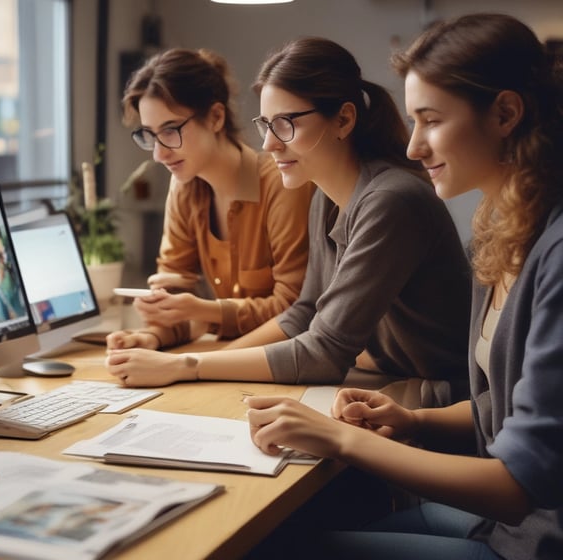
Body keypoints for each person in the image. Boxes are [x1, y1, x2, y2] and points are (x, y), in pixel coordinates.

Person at [245, 13, 563, 559]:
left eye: (432, 120)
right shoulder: (500, 230)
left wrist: (341, 438)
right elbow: (505, 408)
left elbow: (518, 487)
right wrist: (412, 420)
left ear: (506, 113)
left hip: (533, 539)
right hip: (507, 527)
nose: (415, 146)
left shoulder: (553, 255)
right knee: (293, 529)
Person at [107, 37, 471, 407]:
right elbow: (303, 314)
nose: (268, 144)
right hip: (389, 379)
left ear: (343, 119)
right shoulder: (325, 196)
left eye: (284, 124)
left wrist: (186, 365)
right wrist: (187, 358)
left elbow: (324, 351)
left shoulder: (391, 201)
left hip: (441, 398)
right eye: (266, 124)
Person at [106, 47, 315, 349]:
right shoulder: (185, 188)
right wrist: (149, 336)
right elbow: (175, 294)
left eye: (170, 130)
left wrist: (203, 310)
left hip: (284, 361)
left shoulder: (280, 184)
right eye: (149, 135)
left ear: (216, 117)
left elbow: (295, 310)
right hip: (228, 361)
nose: (159, 153)